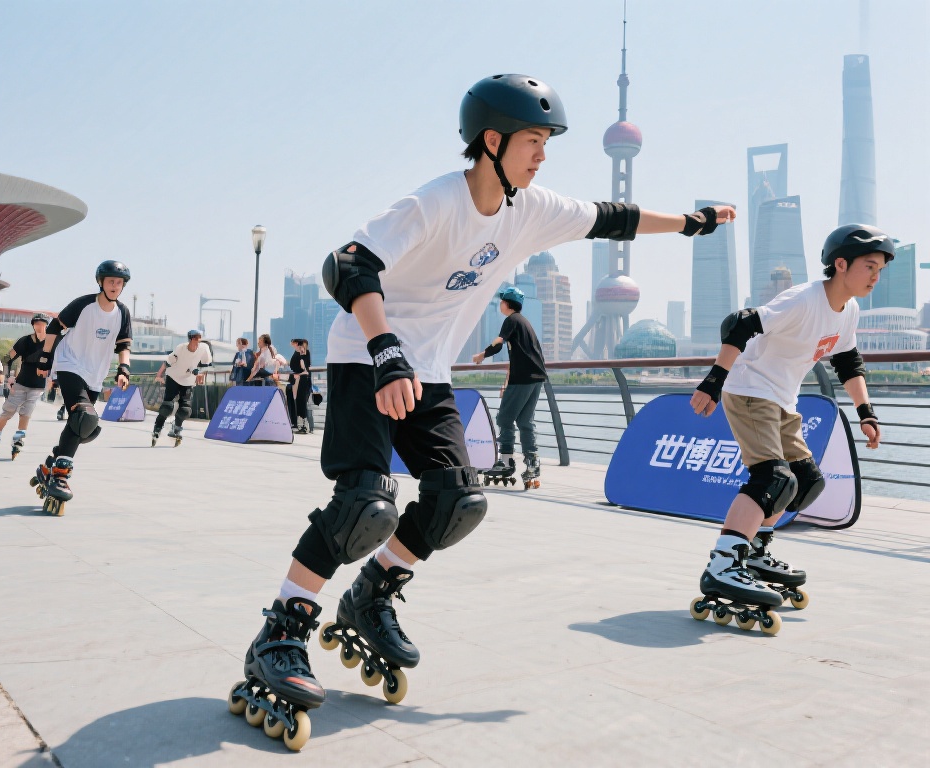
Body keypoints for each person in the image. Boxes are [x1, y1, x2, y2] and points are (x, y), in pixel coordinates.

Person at [229, 73, 735, 750]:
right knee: (365, 505)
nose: (543, 155)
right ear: (491, 142)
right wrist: (384, 350)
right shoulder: (435, 202)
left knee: (457, 502)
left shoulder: (534, 208)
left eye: (548, 142)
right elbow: (348, 266)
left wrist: (691, 223)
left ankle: (370, 596)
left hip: (429, 371)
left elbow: (613, 217)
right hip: (365, 357)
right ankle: (281, 632)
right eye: (533, 141)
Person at [688, 224, 891, 635]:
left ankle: (757, 552)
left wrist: (865, 412)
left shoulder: (848, 309)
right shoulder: (803, 300)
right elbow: (739, 323)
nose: (875, 276)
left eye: (880, 269)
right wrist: (713, 381)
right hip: (749, 391)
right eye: (869, 266)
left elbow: (847, 360)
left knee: (804, 481)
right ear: (840, 264)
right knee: (771, 478)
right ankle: (723, 564)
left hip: (781, 399)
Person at [31, 260, 133, 514]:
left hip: (95, 375)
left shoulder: (122, 312)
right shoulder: (84, 304)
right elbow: (55, 327)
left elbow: (123, 345)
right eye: (110, 281)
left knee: (84, 427)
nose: (114, 286)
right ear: (101, 281)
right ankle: (60, 476)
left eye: (119, 282)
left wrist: (124, 369)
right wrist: (45, 358)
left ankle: (49, 467)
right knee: (84, 416)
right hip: (69, 364)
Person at [472, 286, 547, 488]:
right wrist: (507, 381)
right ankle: (533, 463)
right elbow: (522, 356)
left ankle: (505, 462)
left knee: (504, 418)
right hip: (536, 376)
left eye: (501, 301)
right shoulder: (525, 324)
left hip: (523, 378)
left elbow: (498, 343)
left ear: (507, 303)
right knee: (524, 421)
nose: (500, 305)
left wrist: (482, 355)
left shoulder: (511, 320)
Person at [0, 313, 51, 459]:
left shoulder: (50, 343)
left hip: (38, 386)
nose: (39, 326)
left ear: (46, 325)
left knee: (26, 412)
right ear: (33, 325)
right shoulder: (25, 341)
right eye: (36, 324)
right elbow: (7, 358)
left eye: (42, 323)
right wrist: (8, 375)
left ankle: (19, 437)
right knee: (8, 411)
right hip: (21, 383)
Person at [151, 329, 212, 446]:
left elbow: (205, 364)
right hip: (173, 376)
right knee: (167, 406)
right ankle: (157, 428)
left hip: (188, 379)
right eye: (194, 338)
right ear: (190, 339)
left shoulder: (204, 348)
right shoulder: (181, 348)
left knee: (185, 409)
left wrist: (199, 373)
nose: (197, 340)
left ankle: (177, 427)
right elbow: (167, 362)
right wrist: (159, 375)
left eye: (198, 338)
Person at [290, 339, 313, 434]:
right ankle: (301, 425)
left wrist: (302, 355)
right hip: (298, 379)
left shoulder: (304, 353)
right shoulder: (297, 353)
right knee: (299, 401)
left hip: (302, 379)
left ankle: (304, 426)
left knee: (302, 402)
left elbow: (304, 367)